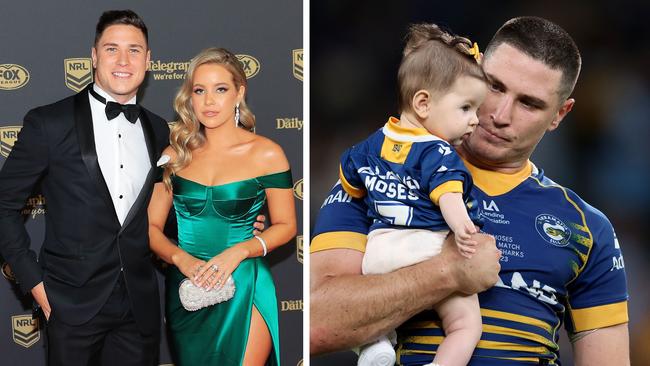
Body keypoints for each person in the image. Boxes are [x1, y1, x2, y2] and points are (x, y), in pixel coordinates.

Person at [311, 16, 630, 365]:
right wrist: (447, 272)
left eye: (529, 103)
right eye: (494, 86)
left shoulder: (588, 227)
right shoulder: (379, 171)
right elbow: (314, 324)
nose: (500, 114)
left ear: (559, 114)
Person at [0, 10, 169, 366]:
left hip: (139, 309)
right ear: (93, 55)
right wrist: (35, 284)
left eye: (135, 50)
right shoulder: (49, 122)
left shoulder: (158, 130)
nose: (124, 61)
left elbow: (160, 215)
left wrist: (231, 227)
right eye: (112, 49)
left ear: (149, 60)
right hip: (70, 304)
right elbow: (3, 205)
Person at [337, 24, 488, 366]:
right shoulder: (438, 152)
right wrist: (465, 230)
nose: (476, 120)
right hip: (426, 249)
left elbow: (349, 181)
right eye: (466, 108)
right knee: (465, 325)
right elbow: (448, 194)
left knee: (377, 314)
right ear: (423, 103)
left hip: (376, 255)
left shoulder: (368, 145)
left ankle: (376, 344)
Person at [147, 47, 297, 366]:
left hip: (245, 282)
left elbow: (286, 226)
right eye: (199, 91)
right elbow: (151, 229)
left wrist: (240, 251)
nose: (209, 101)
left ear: (239, 93)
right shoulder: (174, 156)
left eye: (220, 89)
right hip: (188, 287)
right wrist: (180, 259)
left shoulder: (267, 154)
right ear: (189, 97)